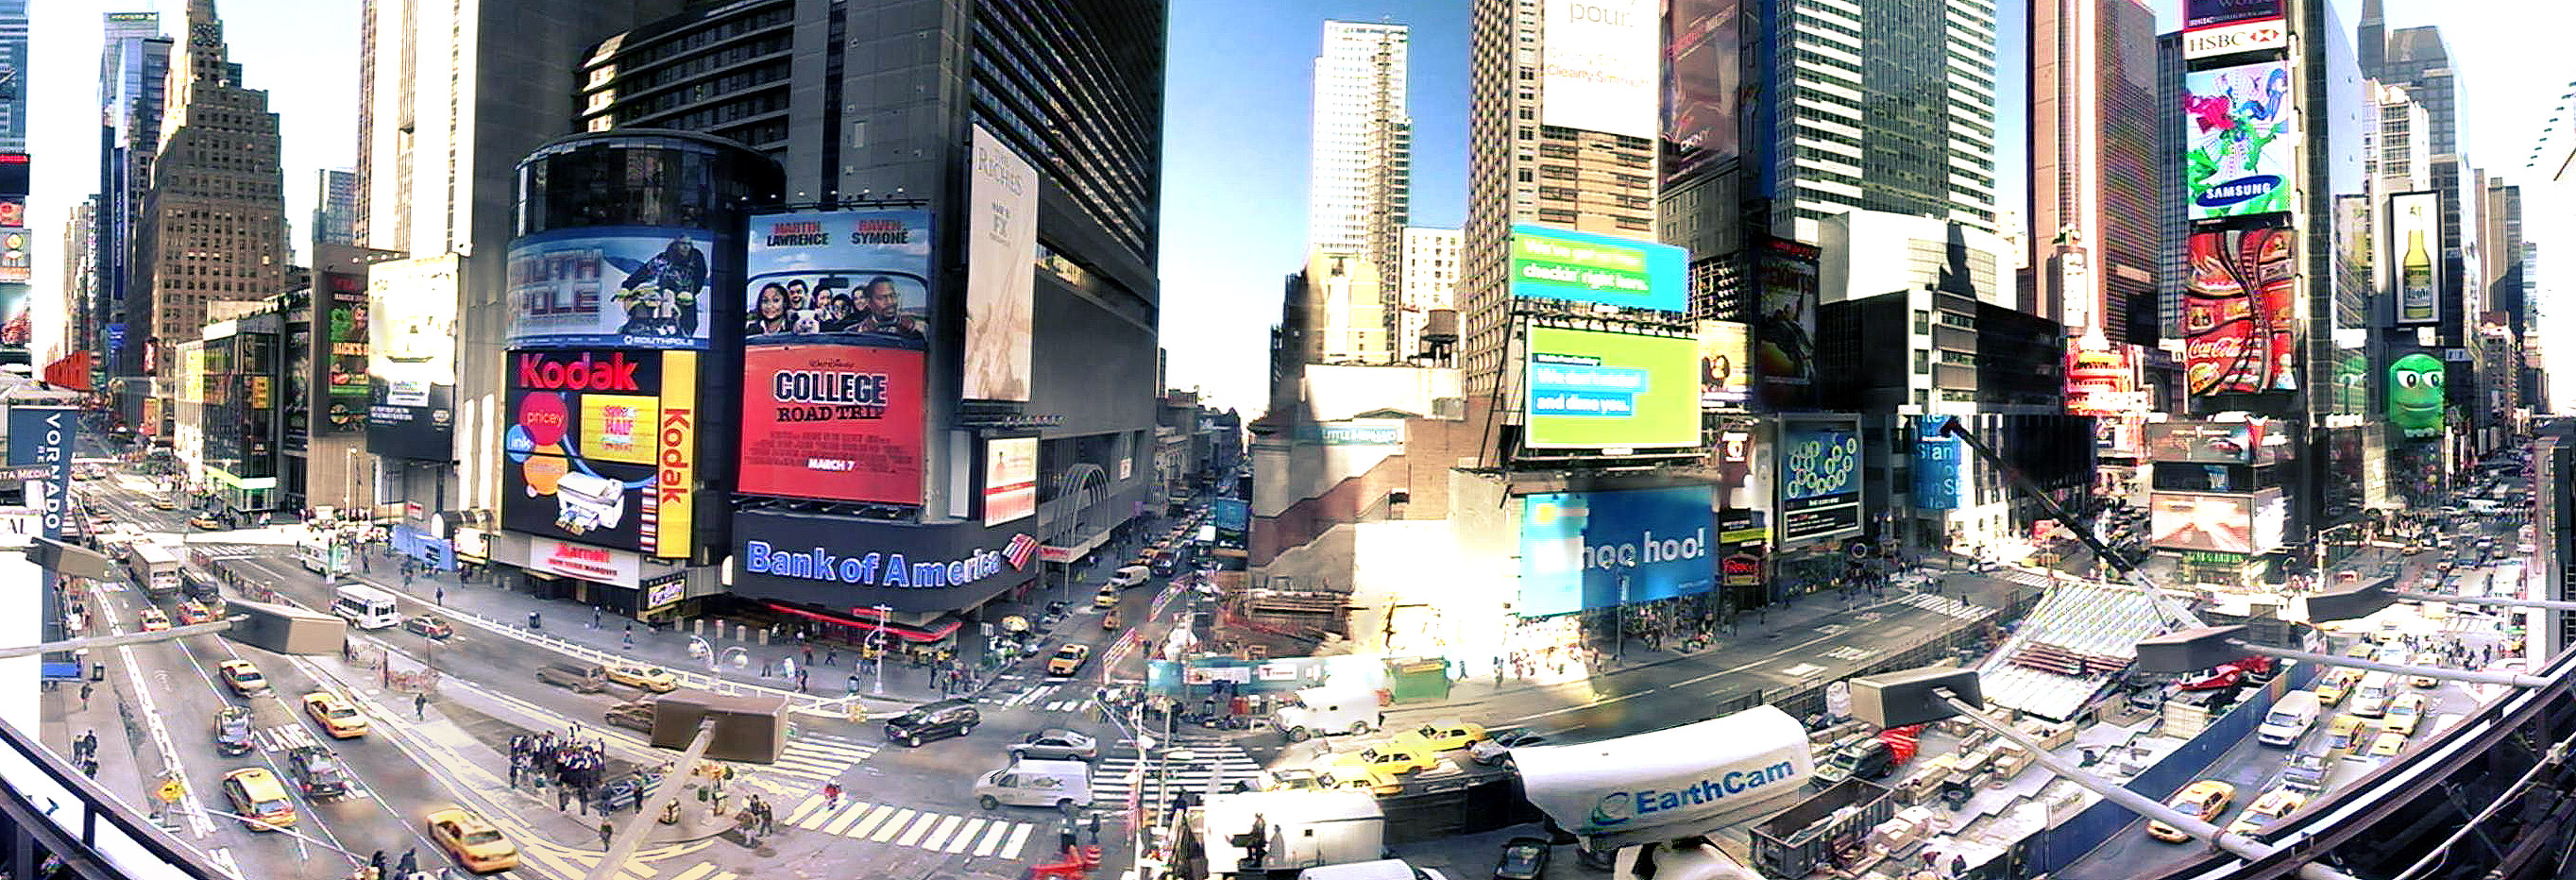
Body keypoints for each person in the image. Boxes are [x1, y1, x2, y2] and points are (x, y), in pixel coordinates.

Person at [851, 277, 925, 342]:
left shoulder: (920, 329)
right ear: (869, 303)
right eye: (881, 298)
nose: (890, 302)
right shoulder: (854, 333)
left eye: (893, 296)